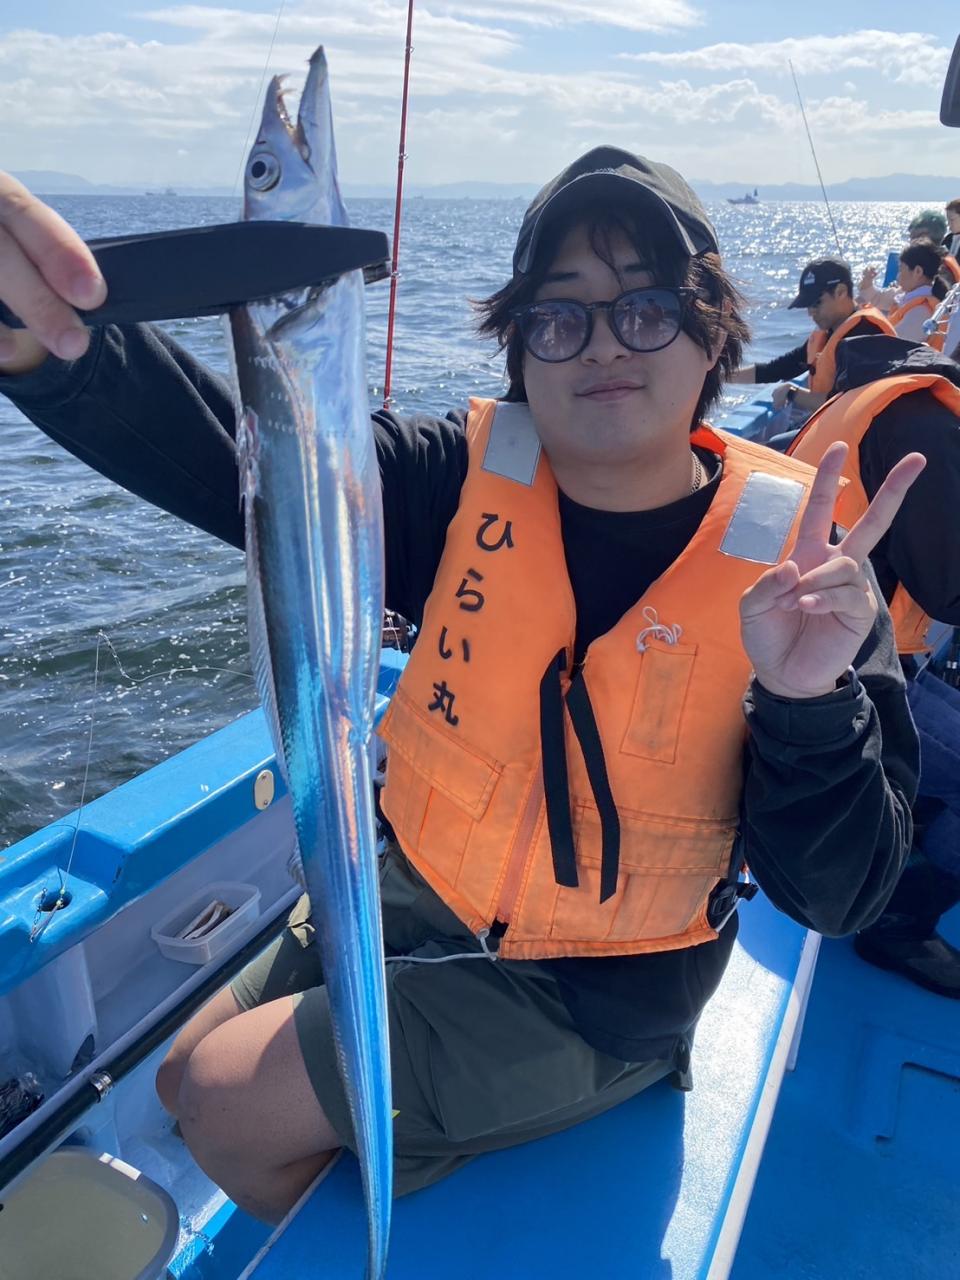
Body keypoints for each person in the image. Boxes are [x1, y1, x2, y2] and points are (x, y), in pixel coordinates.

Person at [0, 151, 922, 1223]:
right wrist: (52, 349)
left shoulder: (804, 573)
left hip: (593, 988)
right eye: (558, 316)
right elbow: (262, 471)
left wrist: (809, 703)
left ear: (713, 331)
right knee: (176, 1074)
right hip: (409, 894)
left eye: (647, 309)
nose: (603, 344)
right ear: (520, 346)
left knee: (220, 1099)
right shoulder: (454, 481)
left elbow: (839, 897)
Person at [787, 335, 960, 998]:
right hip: (858, 675)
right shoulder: (923, 426)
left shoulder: (862, 398)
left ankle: (897, 831)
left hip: (821, 653)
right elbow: (950, 591)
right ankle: (901, 921)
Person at [730, 257, 894, 415]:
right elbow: (779, 368)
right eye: (807, 306)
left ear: (841, 292)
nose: (810, 313)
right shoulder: (831, 331)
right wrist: (725, 376)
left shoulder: (866, 334)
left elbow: (847, 402)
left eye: (816, 304)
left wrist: (792, 393)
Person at [858, 207, 955, 312]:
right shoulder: (941, 267)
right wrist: (867, 282)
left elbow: (882, 299)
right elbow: (883, 298)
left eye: (915, 238)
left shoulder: (935, 276)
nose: (911, 243)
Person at [882, 240, 945, 345]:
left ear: (918, 271)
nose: (897, 277)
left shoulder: (921, 312)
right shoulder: (910, 299)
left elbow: (890, 346)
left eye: (901, 270)